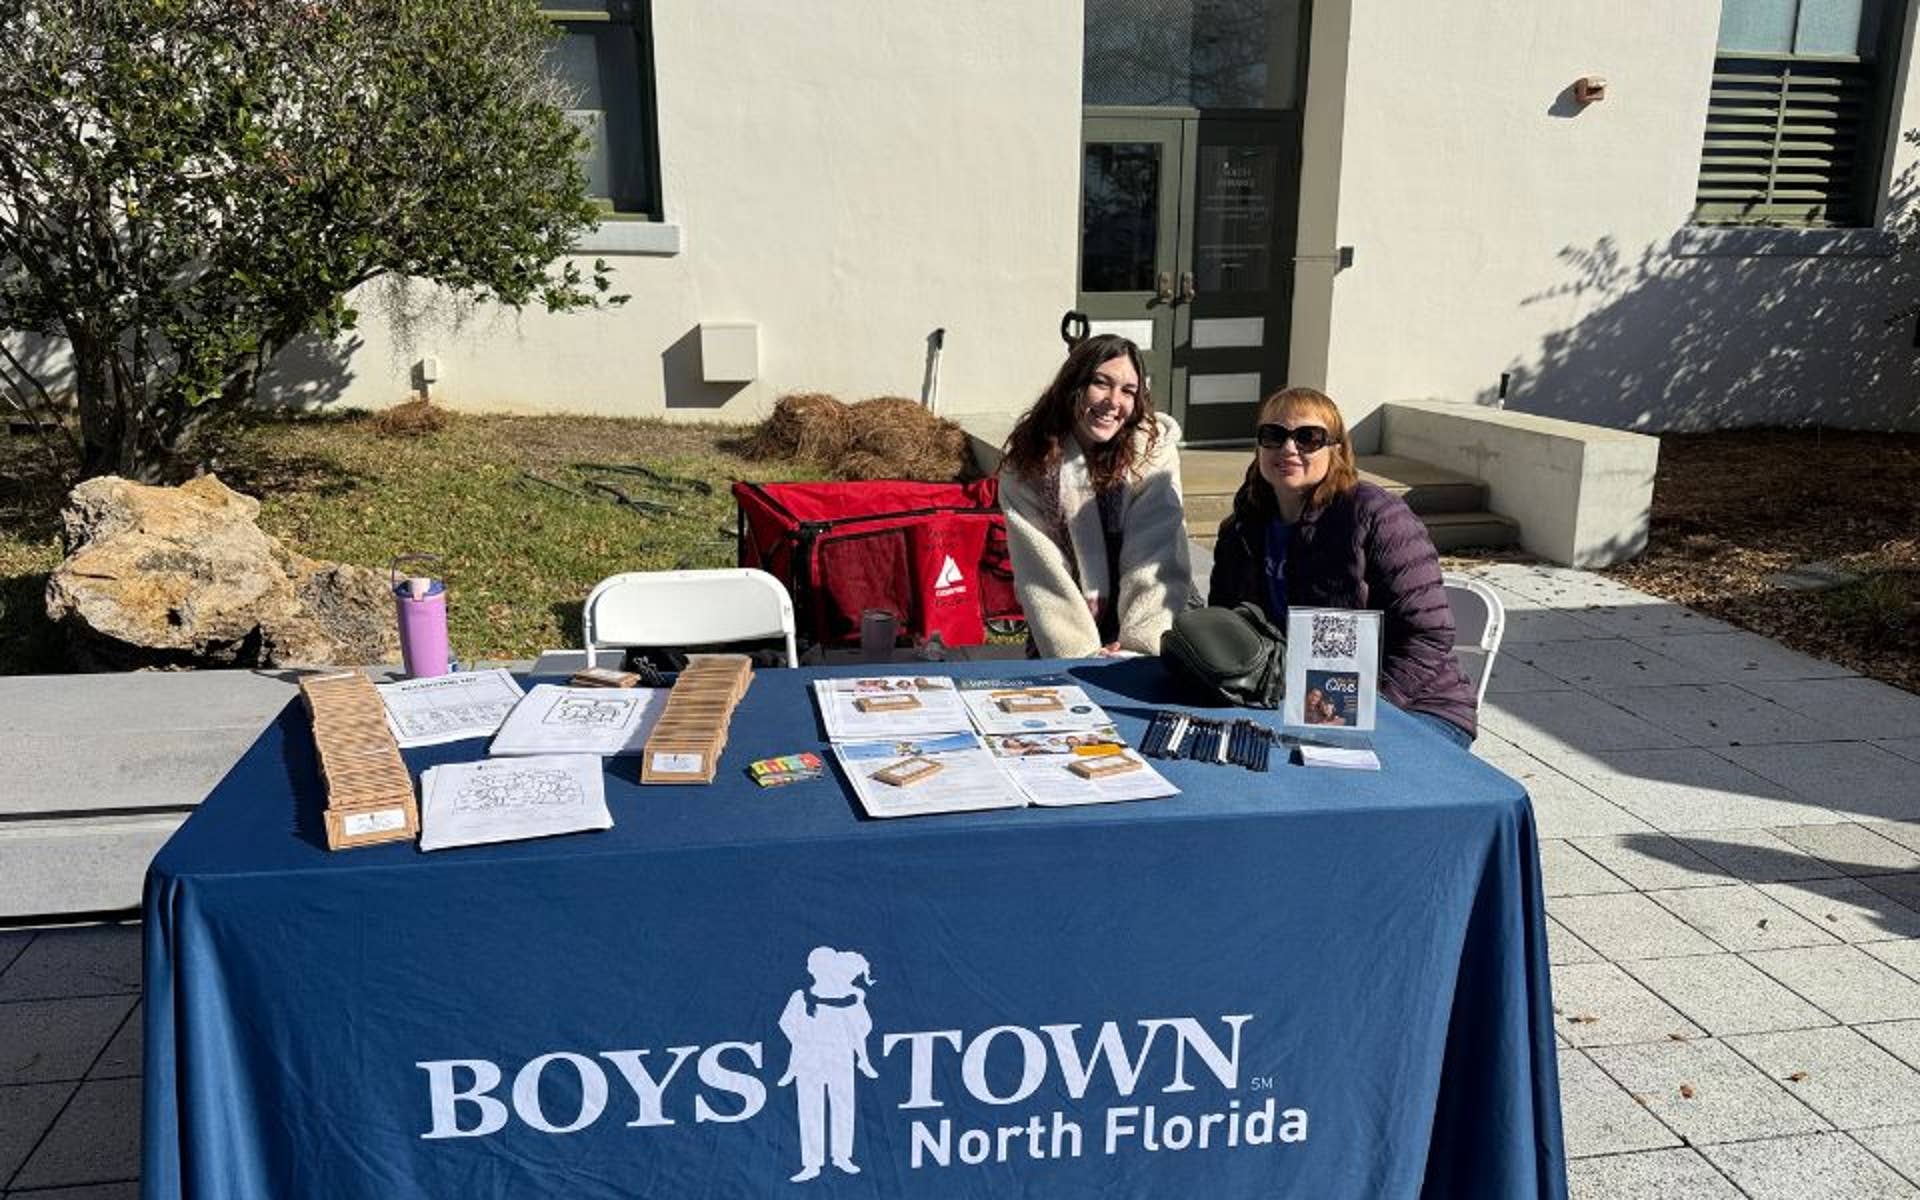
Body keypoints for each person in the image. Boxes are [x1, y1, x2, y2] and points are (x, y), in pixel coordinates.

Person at [1207, 387, 1478, 746]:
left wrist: (1367, 709)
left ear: (1337, 449)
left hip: (1414, 705)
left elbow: (1428, 636)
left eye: (1308, 438)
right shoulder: (1242, 527)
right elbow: (1227, 626)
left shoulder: (1377, 514)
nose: (1288, 449)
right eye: (1273, 435)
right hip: (1295, 703)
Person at [998, 334, 1194, 658]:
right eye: (1101, 384)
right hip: (1061, 632)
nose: (1114, 401)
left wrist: (1138, 650)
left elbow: (1156, 552)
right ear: (1073, 385)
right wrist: (1081, 655)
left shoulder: (1152, 453)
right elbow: (1041, 573)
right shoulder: (1027, 464)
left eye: (1128, 391)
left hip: (1153, 626)